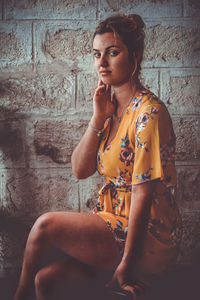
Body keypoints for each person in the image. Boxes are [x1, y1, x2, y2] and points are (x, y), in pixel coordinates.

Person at [14, 14, 182, 300]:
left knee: (44, 226)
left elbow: (143, 195)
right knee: (46, 281)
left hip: (147, 235)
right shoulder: (109, 107)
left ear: (136, 56)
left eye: (112, 53)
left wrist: (127, 264)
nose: (102, 63)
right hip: (113, 219)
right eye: (96, 55)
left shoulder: (149, 113)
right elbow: (80, 170)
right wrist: (97, 117)